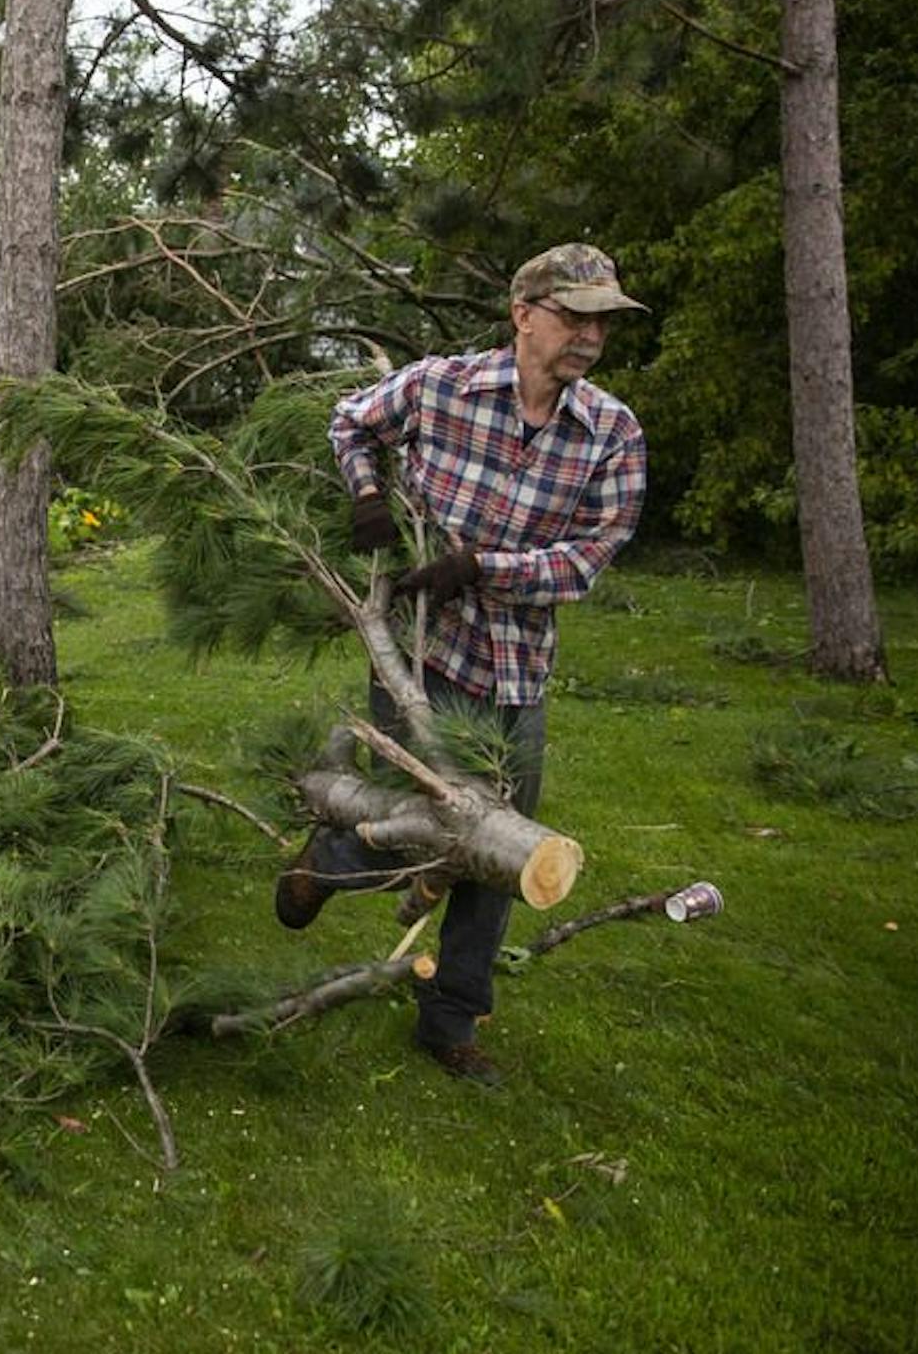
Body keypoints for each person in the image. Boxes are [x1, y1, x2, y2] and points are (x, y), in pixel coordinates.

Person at [275, 243, 649, 1086]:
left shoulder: (614, 434)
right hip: (423, 655)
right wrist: (366, 492)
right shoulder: (440, 386)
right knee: (411, 830)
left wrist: (483, 567)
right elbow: (350, 420)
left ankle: (451, 1020)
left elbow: (588, 559)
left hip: (517, 672)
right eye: (573, 316)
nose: (588, 335)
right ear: (524, 314)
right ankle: (328, 864)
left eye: (601, 321)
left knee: (504, 851)